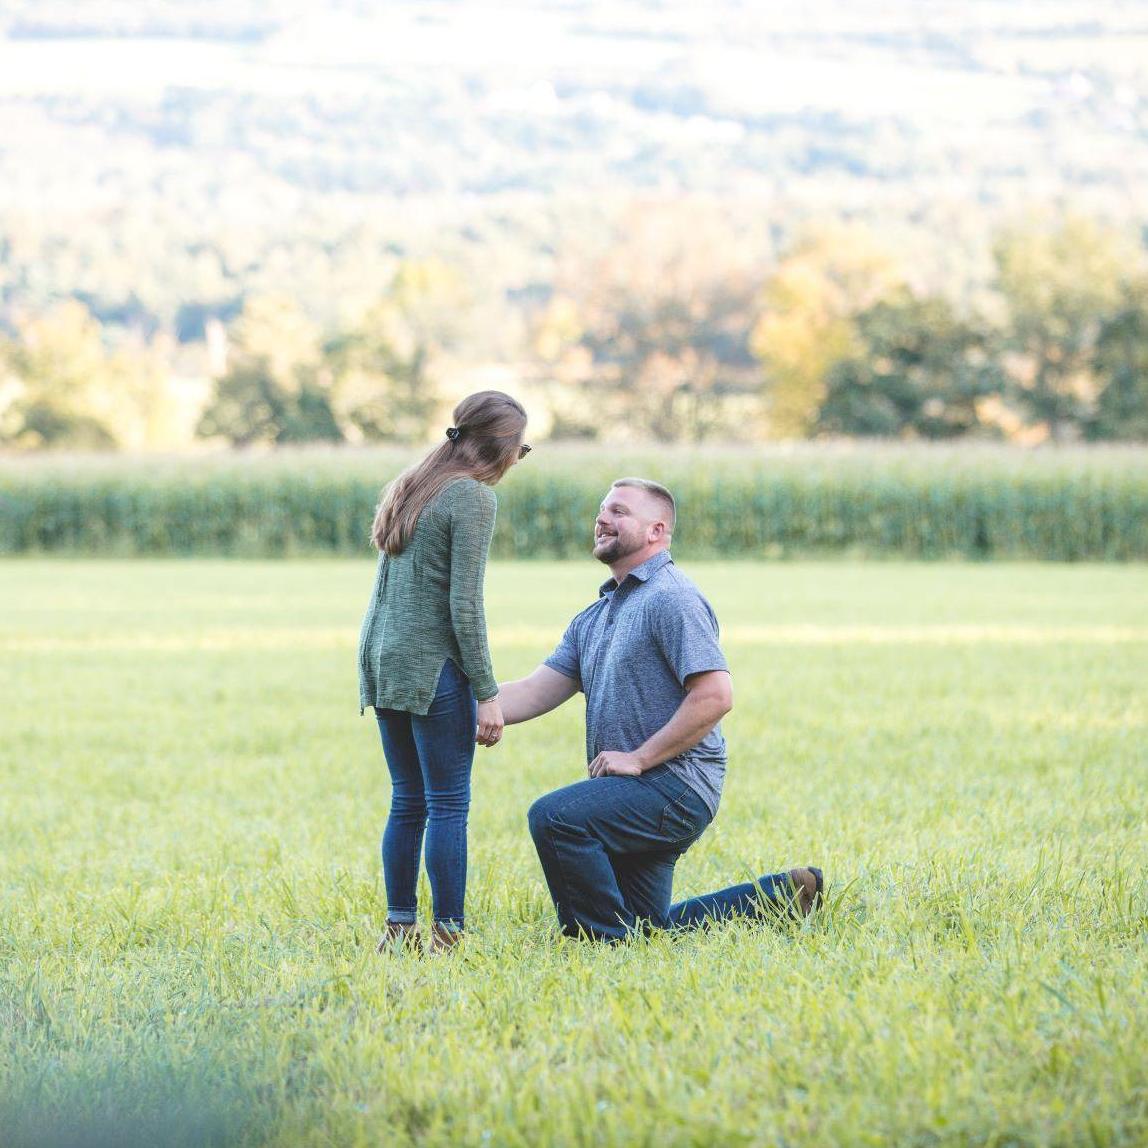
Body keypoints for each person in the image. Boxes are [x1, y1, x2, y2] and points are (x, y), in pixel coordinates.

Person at [496, 477, 823, 942]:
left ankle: (600, 948)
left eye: (620, 512)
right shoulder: (598, 614)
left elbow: (715, 695)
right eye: (602, 510)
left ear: (656, 531)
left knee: (556, 818)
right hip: (636, 787)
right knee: (650, 928)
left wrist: (640, 758)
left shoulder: (671, 598)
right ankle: (784, 895)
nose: (603, 518)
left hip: (675, 785)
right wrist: (458, 713)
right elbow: (534, 690)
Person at [358, 391, 529, 953]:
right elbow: (465, 608)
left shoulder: (413, 482)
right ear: (501, 447)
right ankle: (448, 935)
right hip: (433, 666)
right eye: (520, 449)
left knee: (407, 798)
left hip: (384, 658)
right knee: (448, 803)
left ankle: (398, 928)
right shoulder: (471, 498)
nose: (516, 460)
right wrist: (487, 693)